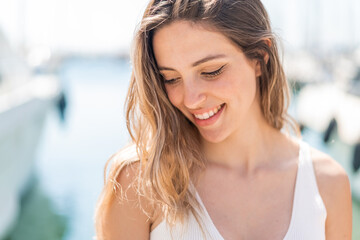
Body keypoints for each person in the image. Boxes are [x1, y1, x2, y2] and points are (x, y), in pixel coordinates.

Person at [95, 0, 352, 239]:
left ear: (260, 58)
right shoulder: (140, 184)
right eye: (171, 78)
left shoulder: (327, 183)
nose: (191, 99)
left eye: (211, 71)